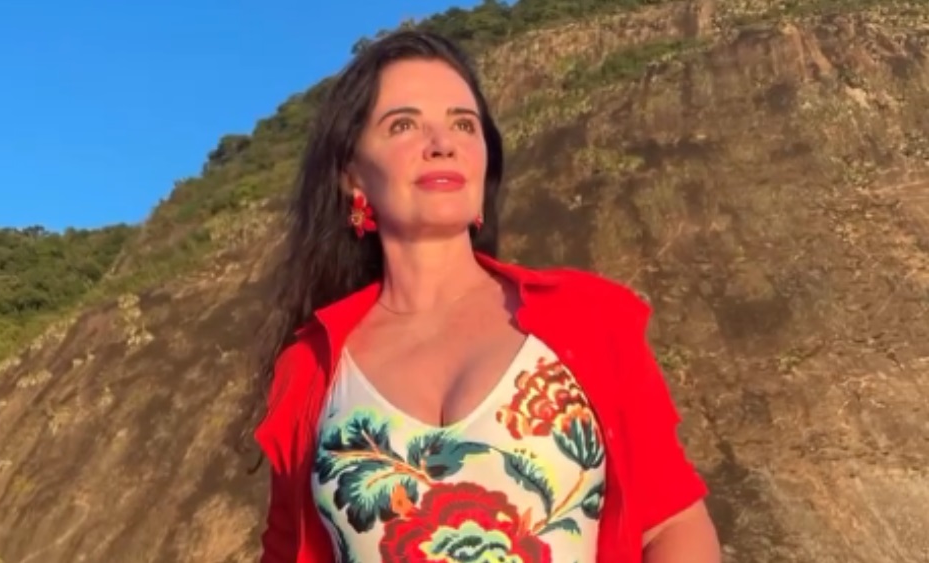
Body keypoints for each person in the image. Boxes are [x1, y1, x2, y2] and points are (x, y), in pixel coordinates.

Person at [249, 28, 721, 563]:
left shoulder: (588, 317)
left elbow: (673, 524)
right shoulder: (310, 368)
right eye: (403, 124)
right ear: (352, 175)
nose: (442, 143)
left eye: (463, 124)